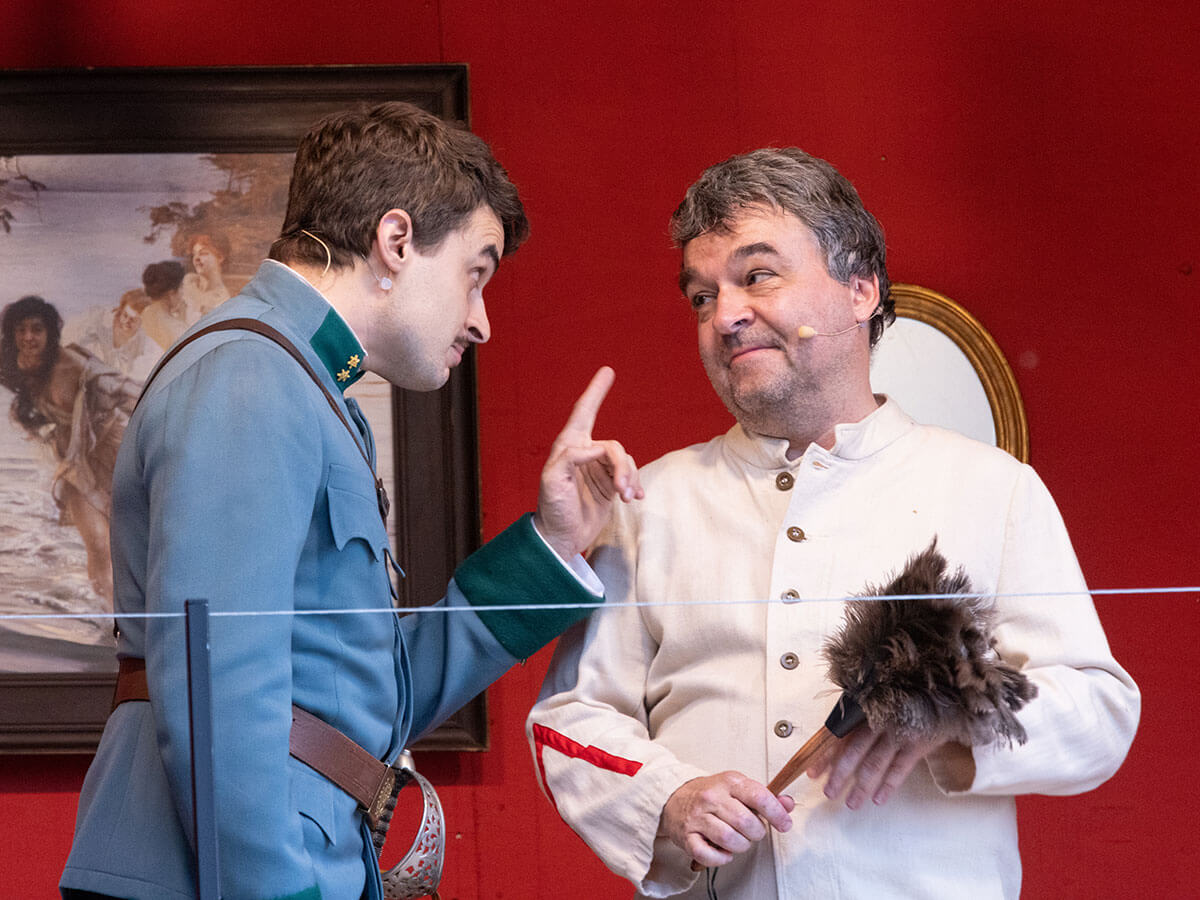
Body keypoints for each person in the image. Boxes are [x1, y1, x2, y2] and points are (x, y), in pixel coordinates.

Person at [60, 101, 642, 900]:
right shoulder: (251, 376)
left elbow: (364, 696)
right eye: (475, 274)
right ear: (395, 241)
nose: (481, 322)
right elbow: (219, 690)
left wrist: (551, 545)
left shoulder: (299, 383)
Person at [526, 148, 1139, 899]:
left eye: (758, 276)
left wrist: (951, 717)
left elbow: (1102, 713)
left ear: (860, 290)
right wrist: (669, 798)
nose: (724, 317)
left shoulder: (993, 489)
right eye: (701, 296)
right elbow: (573, 715)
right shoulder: (645, 501)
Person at [0, 295, 140, 604]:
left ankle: (129, 614)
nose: (28, 337)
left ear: (50, 333)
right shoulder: (13, 364)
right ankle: (108, 616)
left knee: (129, 542)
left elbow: (130, 393)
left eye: (37, 329)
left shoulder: (74, 366)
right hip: (76, 467)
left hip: (112, 453)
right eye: (21, 330)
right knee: (98, 544)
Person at [62, 289, 160, 382]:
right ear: (120, 310)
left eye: (133, 320)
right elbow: (70, 337)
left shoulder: (142, 341)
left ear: (142, 322)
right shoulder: (101, 318)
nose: (127, 321)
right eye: (125, 315)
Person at [137, 259, 192, 350]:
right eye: (181, 287)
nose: (183, 293)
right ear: (171, 293)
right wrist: (182, 319)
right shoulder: (176, 326)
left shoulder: (145, 313)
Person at [180, 232, 233, 316]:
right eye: (194, 254)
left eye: (203, 253)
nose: (196, 258)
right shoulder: (188, 283)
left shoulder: (222, 300)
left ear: (220, 257)